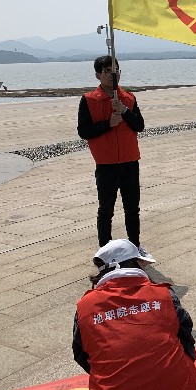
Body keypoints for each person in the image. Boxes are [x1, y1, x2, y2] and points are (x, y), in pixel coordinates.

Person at [72, 240, 196, 390]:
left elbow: (81, 355)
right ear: (136, 264)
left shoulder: (85, 307)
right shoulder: (164, 295)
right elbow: (186, 341)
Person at [77, 56, 151, 258]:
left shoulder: (128, 98)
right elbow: (84, 131)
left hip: (129, 161)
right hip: (106, 163)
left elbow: (139, 126)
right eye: (107, 71)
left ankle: (135, 246)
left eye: (115, 70)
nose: (112, 74)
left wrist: (124, 111)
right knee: (106, 209)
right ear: (98, 75)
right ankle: (105, 250)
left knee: (132, 208)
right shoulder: (89, 100)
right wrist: (108, 124)